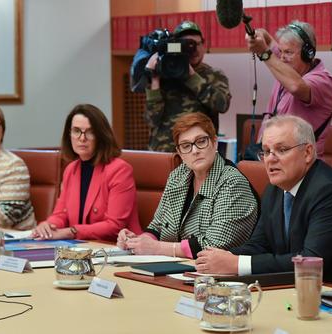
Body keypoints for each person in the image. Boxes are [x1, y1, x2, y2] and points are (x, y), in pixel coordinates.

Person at [195, 115, 332, 287]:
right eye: (266, 151)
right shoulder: (274, 190)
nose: (270, 159)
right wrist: (216, 259)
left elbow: (310, 262)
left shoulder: (330, 193)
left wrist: (237, 264)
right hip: (316, 294)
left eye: (281, 150)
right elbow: (258, 246)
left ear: (308, 152)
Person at [116, 112, 258, 258]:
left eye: (201, 141)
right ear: (180, 152)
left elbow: (214, 244)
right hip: (177, 268)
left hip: (219, 274)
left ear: (215, 142)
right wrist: (139, 241)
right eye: (186, 146)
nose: (195, 151)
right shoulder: (178, 176)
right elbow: (157, 226)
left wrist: (158, 248)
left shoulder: (233, 184)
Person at [33, 104, 142, 241]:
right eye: (76, 131)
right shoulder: (71, 170)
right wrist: (48, 226)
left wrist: (71, 232)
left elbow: (114, 226)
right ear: (69, 134)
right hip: (82, 248)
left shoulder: (119, 170)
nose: (82, 138)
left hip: (116, 248)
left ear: (101, 135)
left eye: (90, 132)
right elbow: (61, 214)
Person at [246, 20, 332, 157]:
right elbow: (268, 40)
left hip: (302, 169)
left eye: (288, 52)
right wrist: (259, 35)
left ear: (308, 54)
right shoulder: (287, 63)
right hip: (271, 160)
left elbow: (296, 86)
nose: (282, 58)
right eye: (281, 52)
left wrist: (264, 53)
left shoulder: (324, 82)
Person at [145, 20, 231, 152]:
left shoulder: (214, 75)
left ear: (203, 45)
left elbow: (222, 104)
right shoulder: (164, 74)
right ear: (176, 47)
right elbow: (152, 120)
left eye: (197, 44)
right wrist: (154, 79)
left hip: (198, 154)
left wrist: (191, 75)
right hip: (164, 153)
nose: (194, 50)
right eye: (187, 45)